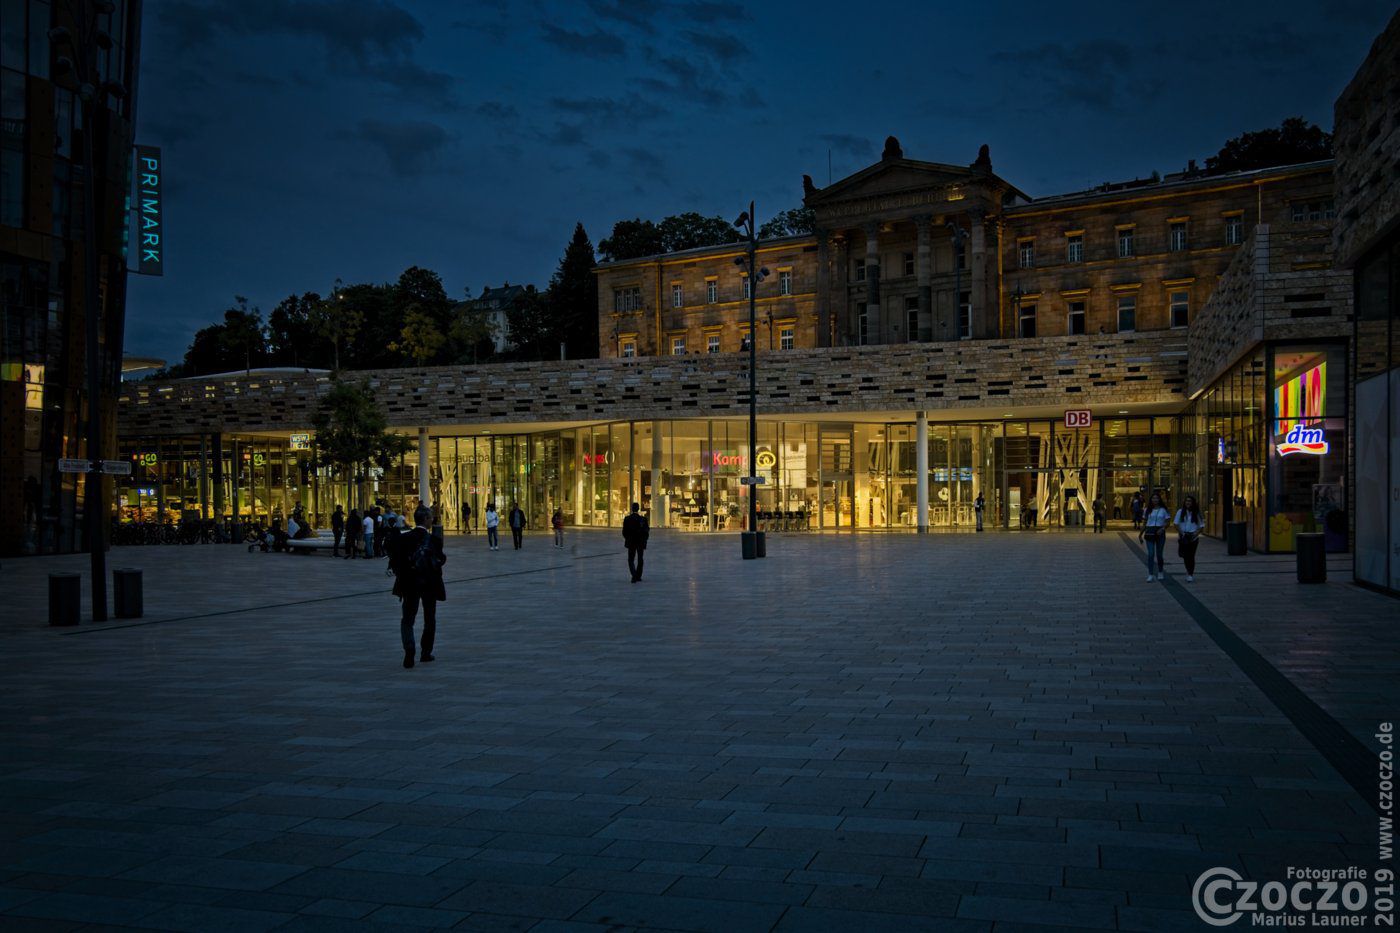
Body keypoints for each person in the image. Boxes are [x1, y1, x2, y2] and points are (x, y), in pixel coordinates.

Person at [388, 505, 446, 669]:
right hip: (429, 584)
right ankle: (426, 652)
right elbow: (440, 560)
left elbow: (396, 561)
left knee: (407, 619)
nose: (431, 520)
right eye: (430, 518)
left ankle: (409, 648)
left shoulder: (404, 538)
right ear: (426, 520)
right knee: (430, 618)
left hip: (409, 584)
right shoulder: (434, 540)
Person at [1139, 492, 1170, 581]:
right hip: (1150, 532)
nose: (1155, 500)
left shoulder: (1164, 510)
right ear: (1151, 500)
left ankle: (1160, 571)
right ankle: (1150, 574)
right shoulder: (1147, 510)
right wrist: (1140, 534)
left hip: (1160, 532)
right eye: (1153, 498)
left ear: (1159, 499)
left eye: (1156, 498)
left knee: (1159, 554)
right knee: (1151, 554)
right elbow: (1144, 523)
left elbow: (1168, 521)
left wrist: (1163, 528)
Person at [1173, 495, 1204, 582]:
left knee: (1191, 556)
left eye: (1190, 501)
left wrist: (1195, 534)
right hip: (1183, 536)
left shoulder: (1196, 512)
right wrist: (1182, 533)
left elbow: (1201, 526)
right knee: (1185, 556)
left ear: (1193, 503)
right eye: (1187, 501)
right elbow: (1175, 524)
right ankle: (1188, 570)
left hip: (1193, 537)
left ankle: (1190, 574)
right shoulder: (1180, 511)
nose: (1188, 503)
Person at [621, 501, 649, 582]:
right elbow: (646, 531)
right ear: (638, 508)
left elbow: (624, 532)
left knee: (631, 559)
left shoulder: (627, 519)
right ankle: (638, 575)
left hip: (631, 541)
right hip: (640, 541)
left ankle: (634, 574)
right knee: (640, 559)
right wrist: (644, 539)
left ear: (632, 509)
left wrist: (627, 538)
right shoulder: (643, 519)